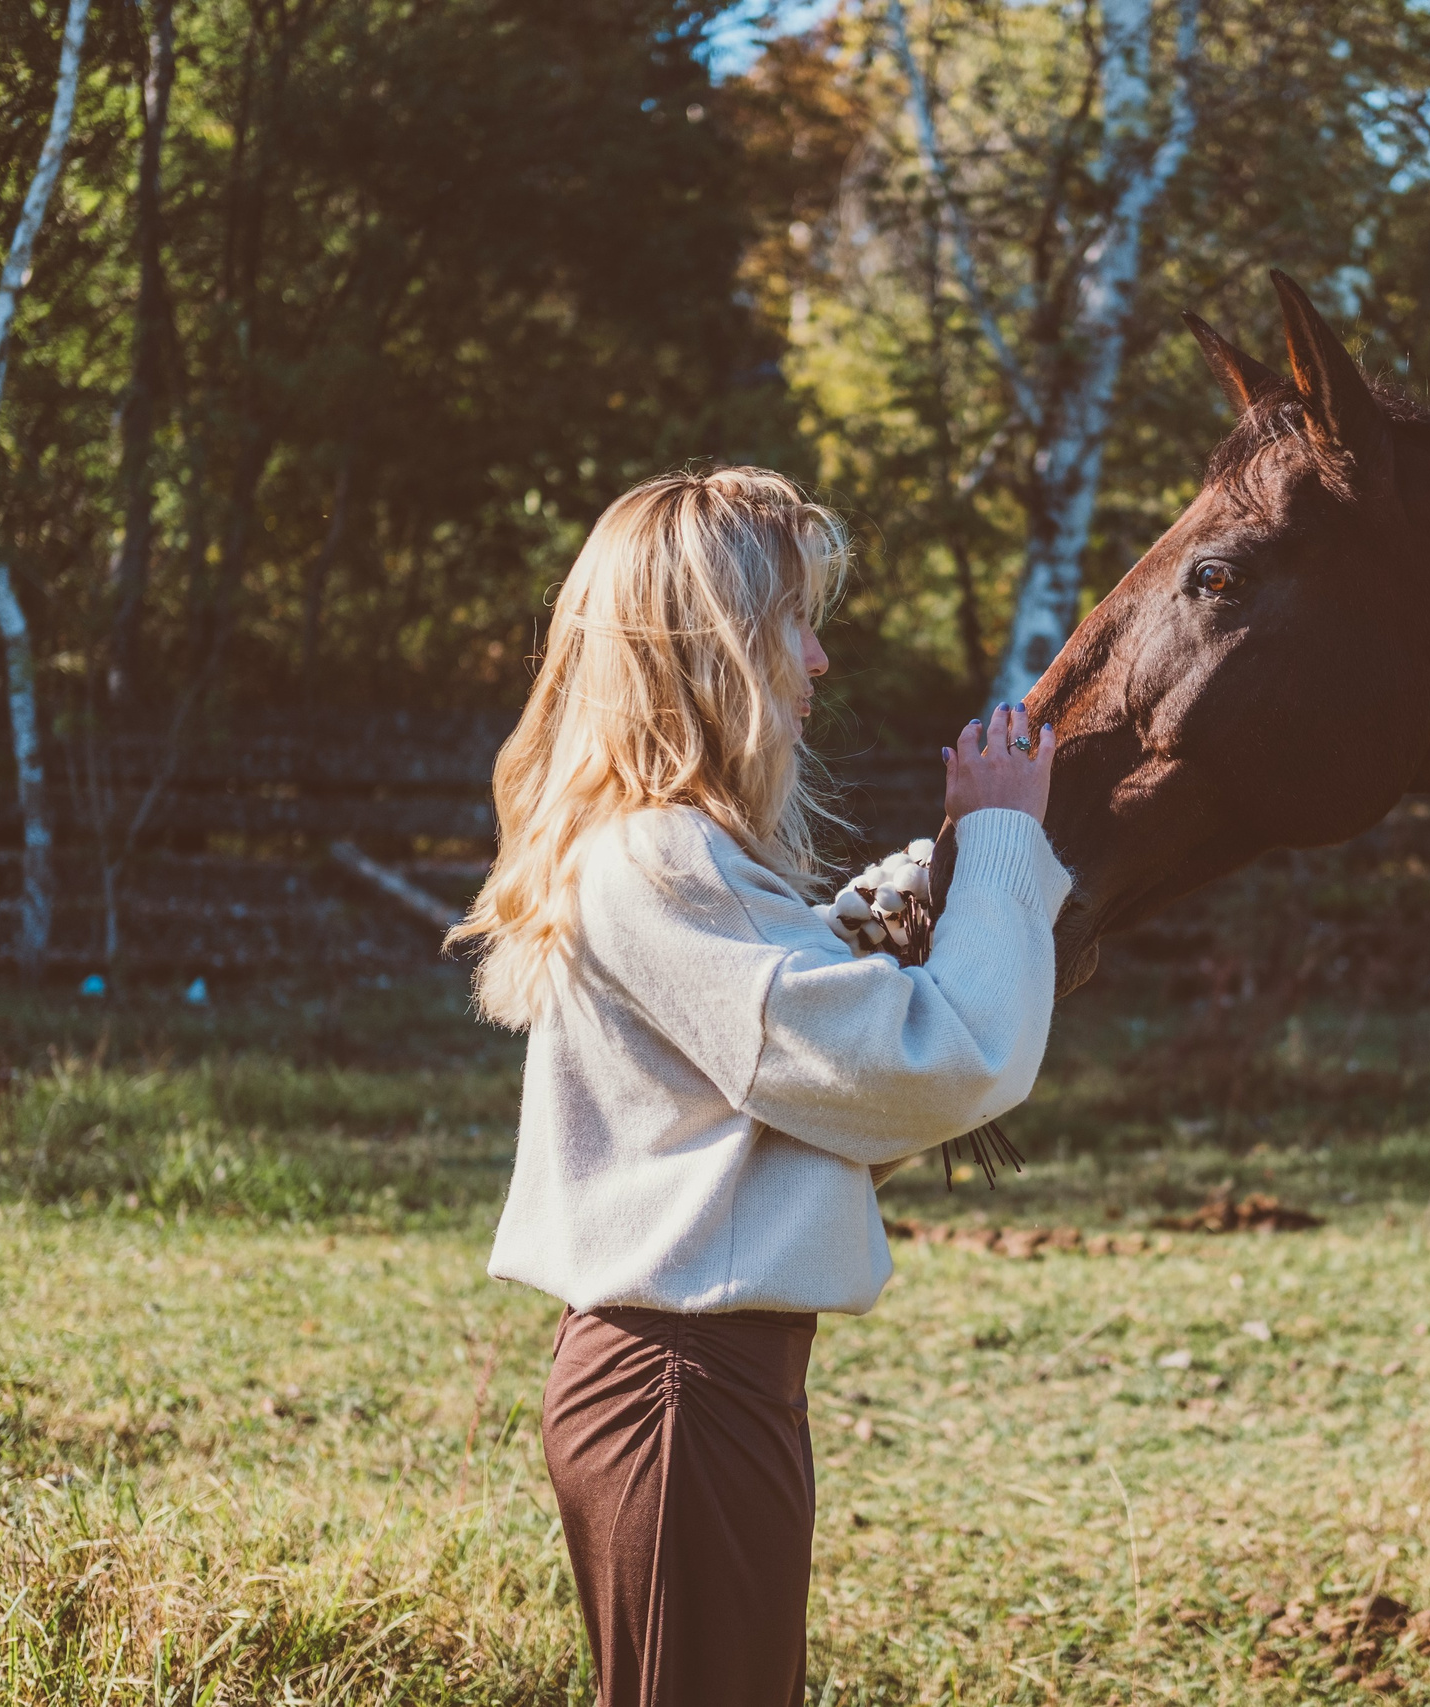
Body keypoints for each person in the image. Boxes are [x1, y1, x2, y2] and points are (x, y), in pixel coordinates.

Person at [449, 466, 1069, 1707]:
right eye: (795, 620)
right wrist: (1001, 843)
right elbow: (937, 1063)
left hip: (701, 1385)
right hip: (685, 1391)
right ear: (715, 644)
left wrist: (878, 917)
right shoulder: (664, 856)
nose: (820, 660)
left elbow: (775, 1089)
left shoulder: (662, 852)